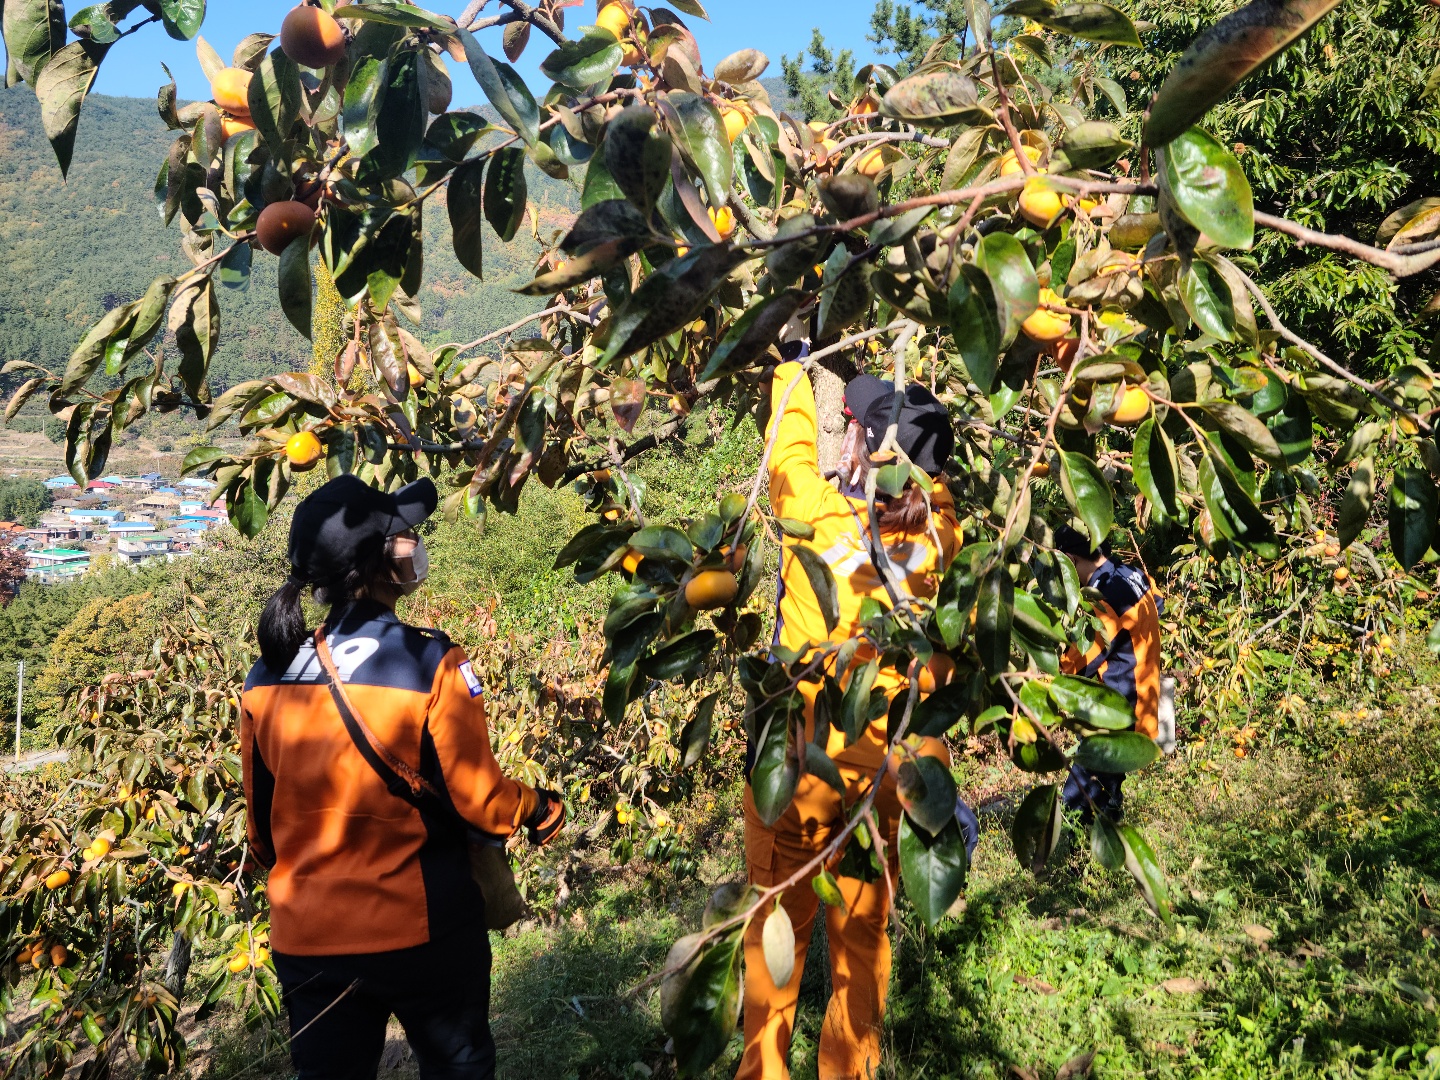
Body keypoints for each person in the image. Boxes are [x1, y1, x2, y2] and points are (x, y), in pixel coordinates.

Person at [241, 474, 564, 1080]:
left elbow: (260, 831)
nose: (414, 544)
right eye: (404, 535)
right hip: (423, 928)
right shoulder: (429, 660)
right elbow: (482, 802)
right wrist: (538, 807)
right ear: (380, 562)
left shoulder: (267, 674)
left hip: (308, 937)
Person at [739, 361, 965, 1080]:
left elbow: (788, 454)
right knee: (863, 944)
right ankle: (850, 1069)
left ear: (871, 451)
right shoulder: (942, 543)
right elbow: (935, 487)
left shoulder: (817, 516)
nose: (847, 442)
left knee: (775, 934)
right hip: (881, 785)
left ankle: (763, 1070)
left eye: (857, 432)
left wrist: (793, 363)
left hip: (798, 772)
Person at [1053, 524, 1163, 823]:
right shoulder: (1132, 574)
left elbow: (1074, 663)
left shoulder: (1105, 598)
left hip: (1118, 710)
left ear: (1071, 559)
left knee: (1077, 801)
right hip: (1144, 698)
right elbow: (1159, 603)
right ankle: (1107, 825)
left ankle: (1085, 846)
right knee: (1105, 787)